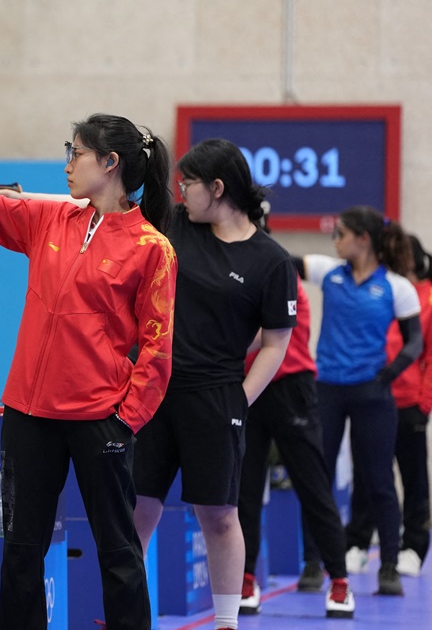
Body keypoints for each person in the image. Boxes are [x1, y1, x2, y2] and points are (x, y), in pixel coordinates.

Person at [0, 114, 177, 630]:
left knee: (118, 551)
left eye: (77, 153)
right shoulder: (52, 220)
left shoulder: (152, 249)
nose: (67, 164)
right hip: (28, 414)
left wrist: (125, 420)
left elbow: (158, 348)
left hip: (100, 421)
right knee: (21, 552)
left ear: (110, 163)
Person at [132, 139, 299, 630]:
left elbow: (275, 343)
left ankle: (226, 621)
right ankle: (129, 613)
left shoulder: (271, 261)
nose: (180, 192)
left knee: (219, 515)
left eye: (189, 184)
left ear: (218, 188)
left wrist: (240, 398)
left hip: (217, 395)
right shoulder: (174, 224)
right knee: (138, 507)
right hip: (154, 390)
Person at [294, 206, 423, 597]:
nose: (335, 242)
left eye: (342, 234)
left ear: (362, 240)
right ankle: (314, 564)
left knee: (380, 481)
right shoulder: (325, 272)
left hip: (372, 394)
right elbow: (275, 259)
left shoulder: (397, 287)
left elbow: (415, 341)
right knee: (319, 480)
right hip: (328, 391)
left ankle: (388, 568)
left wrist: (387, 375)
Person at [236, 268, 353, 617]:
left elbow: (265, 333)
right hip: (249, 388)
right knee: (245, 489)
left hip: (292, 387)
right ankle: (244, 578)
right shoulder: (233, 275)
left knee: (314, 486)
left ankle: (340, 582)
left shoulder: (279, 271)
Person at [340, 232, 432, 579]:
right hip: (371, 398)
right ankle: (358, 543)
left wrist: (423, 403)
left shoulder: (425, 297)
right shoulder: (372, 290)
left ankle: (413, 547)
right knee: (367, 474)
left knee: (413, 479)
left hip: (409, 403)